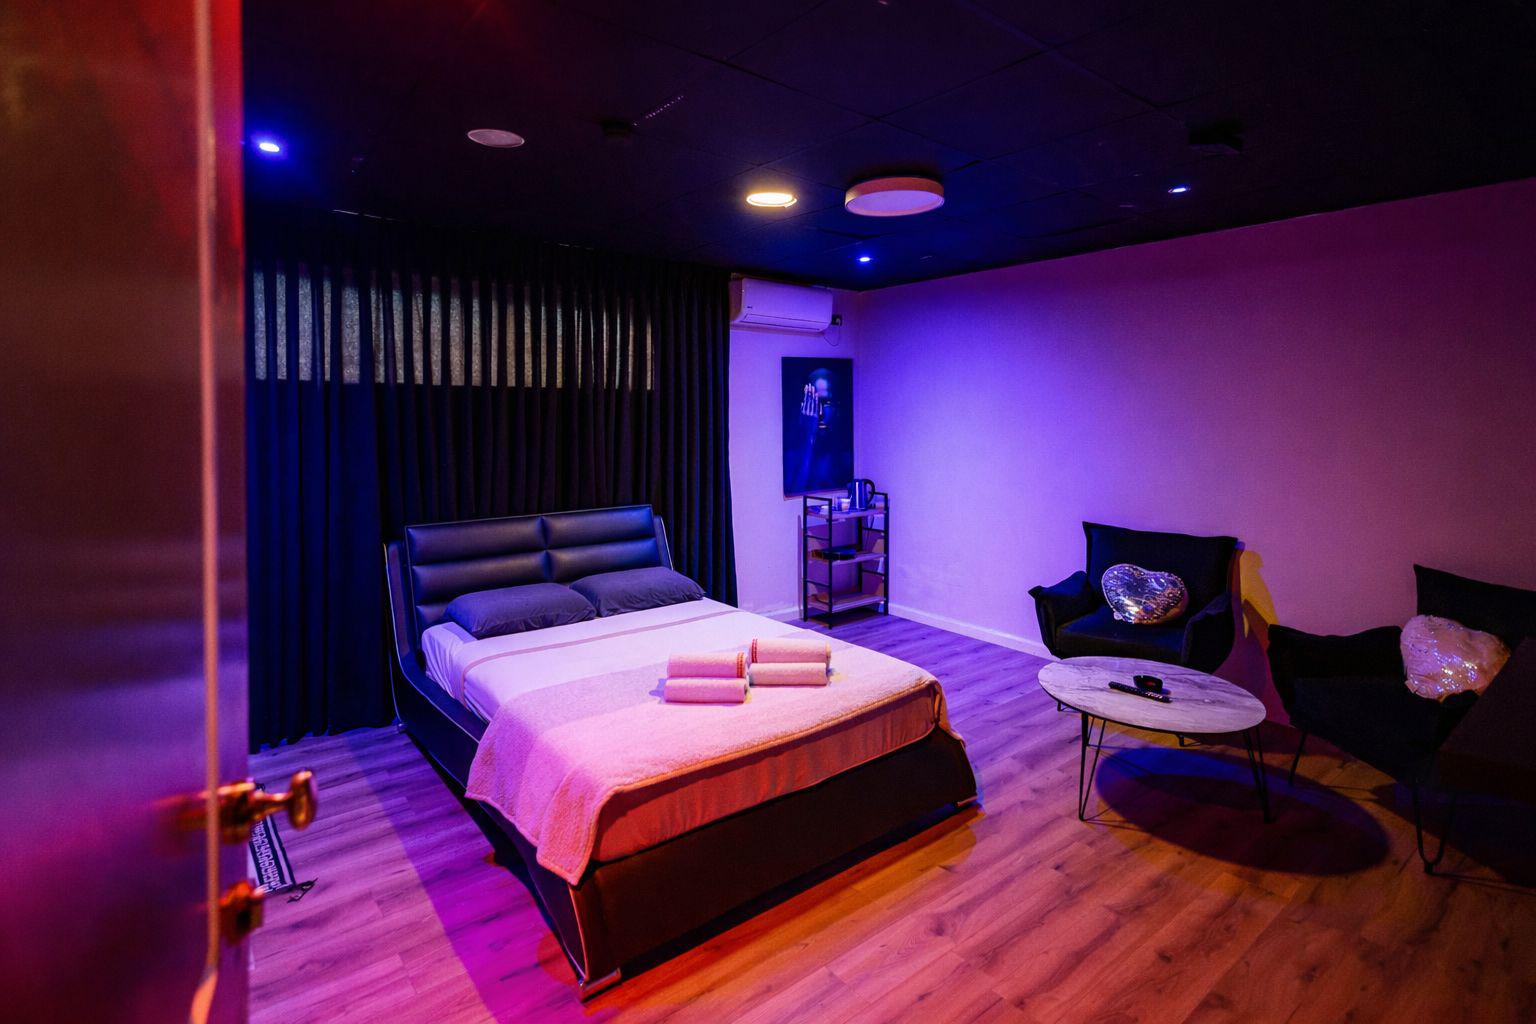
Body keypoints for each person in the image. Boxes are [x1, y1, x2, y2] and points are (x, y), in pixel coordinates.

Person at [788, 365, 848, 493]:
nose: (819, 412)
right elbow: (796, 490)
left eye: (826, 403)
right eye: (814, 403)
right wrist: (809, 434)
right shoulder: (791, 454)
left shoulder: (845, 456)